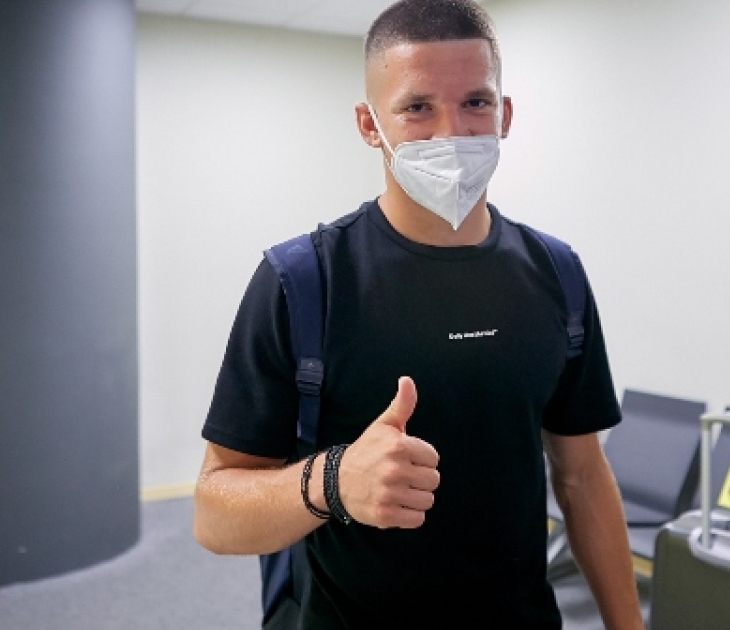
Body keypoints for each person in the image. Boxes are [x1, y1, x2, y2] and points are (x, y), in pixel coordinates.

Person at [192, 1, 645, 628]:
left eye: (476, 102)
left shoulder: (555, 272)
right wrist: (332, 482)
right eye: (417, 107)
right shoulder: (302, 281)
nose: (451, 133)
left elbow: (582, 476)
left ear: (504, 115)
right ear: (369, 123)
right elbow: (213, 514)